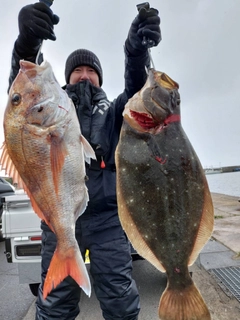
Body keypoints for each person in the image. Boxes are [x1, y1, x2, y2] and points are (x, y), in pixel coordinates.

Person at [8, 2, 161, 320]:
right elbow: (22, 89)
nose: (85, 75)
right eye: (78, 70)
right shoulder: (51, 106)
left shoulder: (118, 111)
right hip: (58, 223)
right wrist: (27, 42)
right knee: (53, 307)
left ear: (100, 79)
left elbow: (136, 87)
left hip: (108, 222)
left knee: (121, 303)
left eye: (91, 71)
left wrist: (135, 52)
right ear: (67, 77)